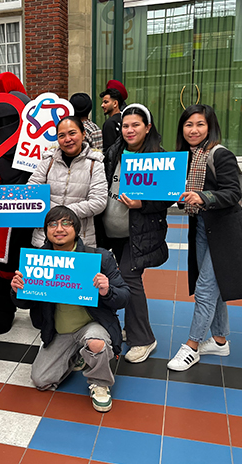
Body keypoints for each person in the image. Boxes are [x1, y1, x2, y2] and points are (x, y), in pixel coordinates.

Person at [168, 104, 242, 371]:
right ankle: (220, 341)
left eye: (200, 124)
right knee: (212, 286)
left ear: (210, 127)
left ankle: (192, 345)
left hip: (226, 232)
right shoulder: (184, 158)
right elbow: (183, 193)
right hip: (201, 227)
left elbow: (232, 193)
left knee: (206, 289)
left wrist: (204, 196)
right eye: (188, 125)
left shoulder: (221, 155)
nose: (194, 130)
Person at [11, 206, 129, 412]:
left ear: (76, 229)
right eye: (53, 224)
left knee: (96, 342)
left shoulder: (98, 258)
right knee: (41, 380)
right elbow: (24, 303)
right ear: (45, 230)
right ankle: (76, 354)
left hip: (92, 326)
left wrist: (107, 290)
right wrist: (16, 290)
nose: (59, 229)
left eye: (66, 223)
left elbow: (125, 297)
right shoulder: (36, 260)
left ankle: (100, 383)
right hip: (59, 331)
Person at [95, 103, 171, 364]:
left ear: (147, 127)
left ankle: (144, 338)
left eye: (135, 125)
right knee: (111, 277)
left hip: (139, 233)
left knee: (129, 277)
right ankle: (127, 327)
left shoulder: (159, 158)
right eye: (125, 125)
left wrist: (144, 205)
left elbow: (168, 198)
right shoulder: (114, 152)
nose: (130, 130)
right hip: (109, 231)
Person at [0, 72, 34, 335]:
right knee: (4, 260)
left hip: (38, 215)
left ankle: (39, 305)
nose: (5, 126)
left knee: (38, 257)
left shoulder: (44, 145)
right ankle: (2, 305)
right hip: (8, 216)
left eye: (9, 120)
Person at [28, 116, 107, 248]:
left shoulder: (95, 163)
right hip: (44, 238)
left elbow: (99, 202)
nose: (67, 139)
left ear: (83, 134)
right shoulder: (48, 160)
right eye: (62, 135)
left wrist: (62, 214)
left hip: (80, 238)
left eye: (72, 133)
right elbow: (30, 191)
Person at [100, 81, 128, 150]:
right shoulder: (125, 119)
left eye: (106, 102)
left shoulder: (110, 123)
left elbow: (109, 150)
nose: (102, 105)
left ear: (115, 103)